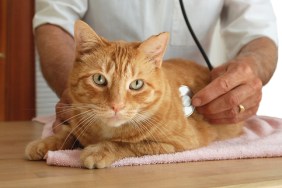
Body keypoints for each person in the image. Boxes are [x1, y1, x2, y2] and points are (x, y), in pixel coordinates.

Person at [33, 0, 278, 131]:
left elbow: (258, 33)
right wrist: (77, 90)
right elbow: (54, 22)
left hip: (194, 105)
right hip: (96, 105)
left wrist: (251, 69)